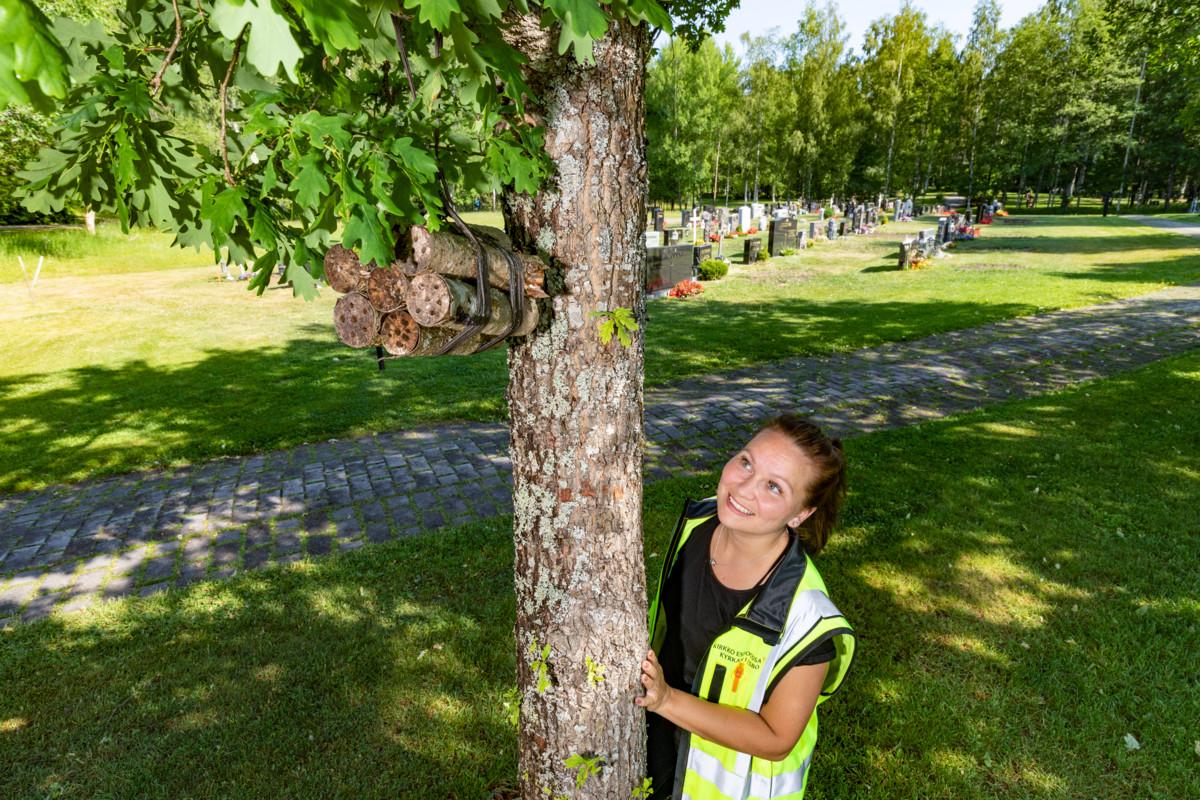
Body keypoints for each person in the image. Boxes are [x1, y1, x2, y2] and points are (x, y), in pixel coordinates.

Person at [637, 415, 856, 799]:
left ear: (800, 514)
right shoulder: (696, 524)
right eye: (746, 462)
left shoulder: (807, 620)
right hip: (654, 751)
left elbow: (776, 738)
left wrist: (667, 700)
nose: (743, 488)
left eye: (774, 487)